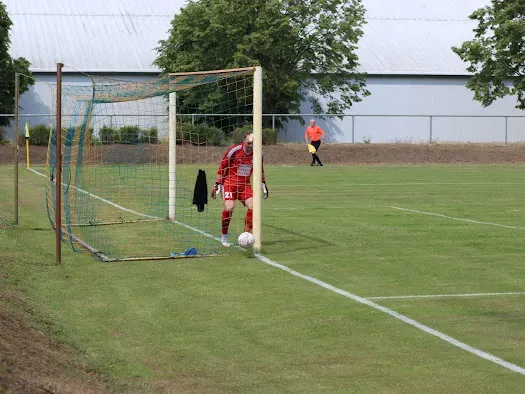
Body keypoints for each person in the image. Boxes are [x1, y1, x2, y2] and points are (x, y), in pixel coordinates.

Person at [211, 133, 268, 247]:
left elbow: (260, 170)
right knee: (229, 207)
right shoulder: (234, 150)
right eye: (249, 143)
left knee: (254, 206)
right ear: (244, 141)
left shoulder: (258, 154)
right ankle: (224, 236)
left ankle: (246, 236)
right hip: (229, 184)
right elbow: (222, 167)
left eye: (253, 143)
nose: (251, 146)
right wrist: (217, 184)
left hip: (244, 186)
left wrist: (263, 183)